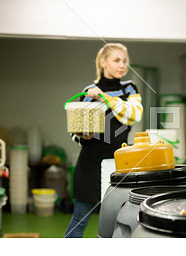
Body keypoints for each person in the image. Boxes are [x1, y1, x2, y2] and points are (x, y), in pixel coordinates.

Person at [65, 43, 143, 237]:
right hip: (90, 165)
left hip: (118, 165)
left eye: (125, 61)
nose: (122, 65)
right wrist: (81, 135)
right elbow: (76, 132)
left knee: (117, 223)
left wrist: (105, 97)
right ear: (103, 62)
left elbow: (134, 114)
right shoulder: (89, 91)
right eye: (117, 60)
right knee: (79, 220)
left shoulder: (129, 88)